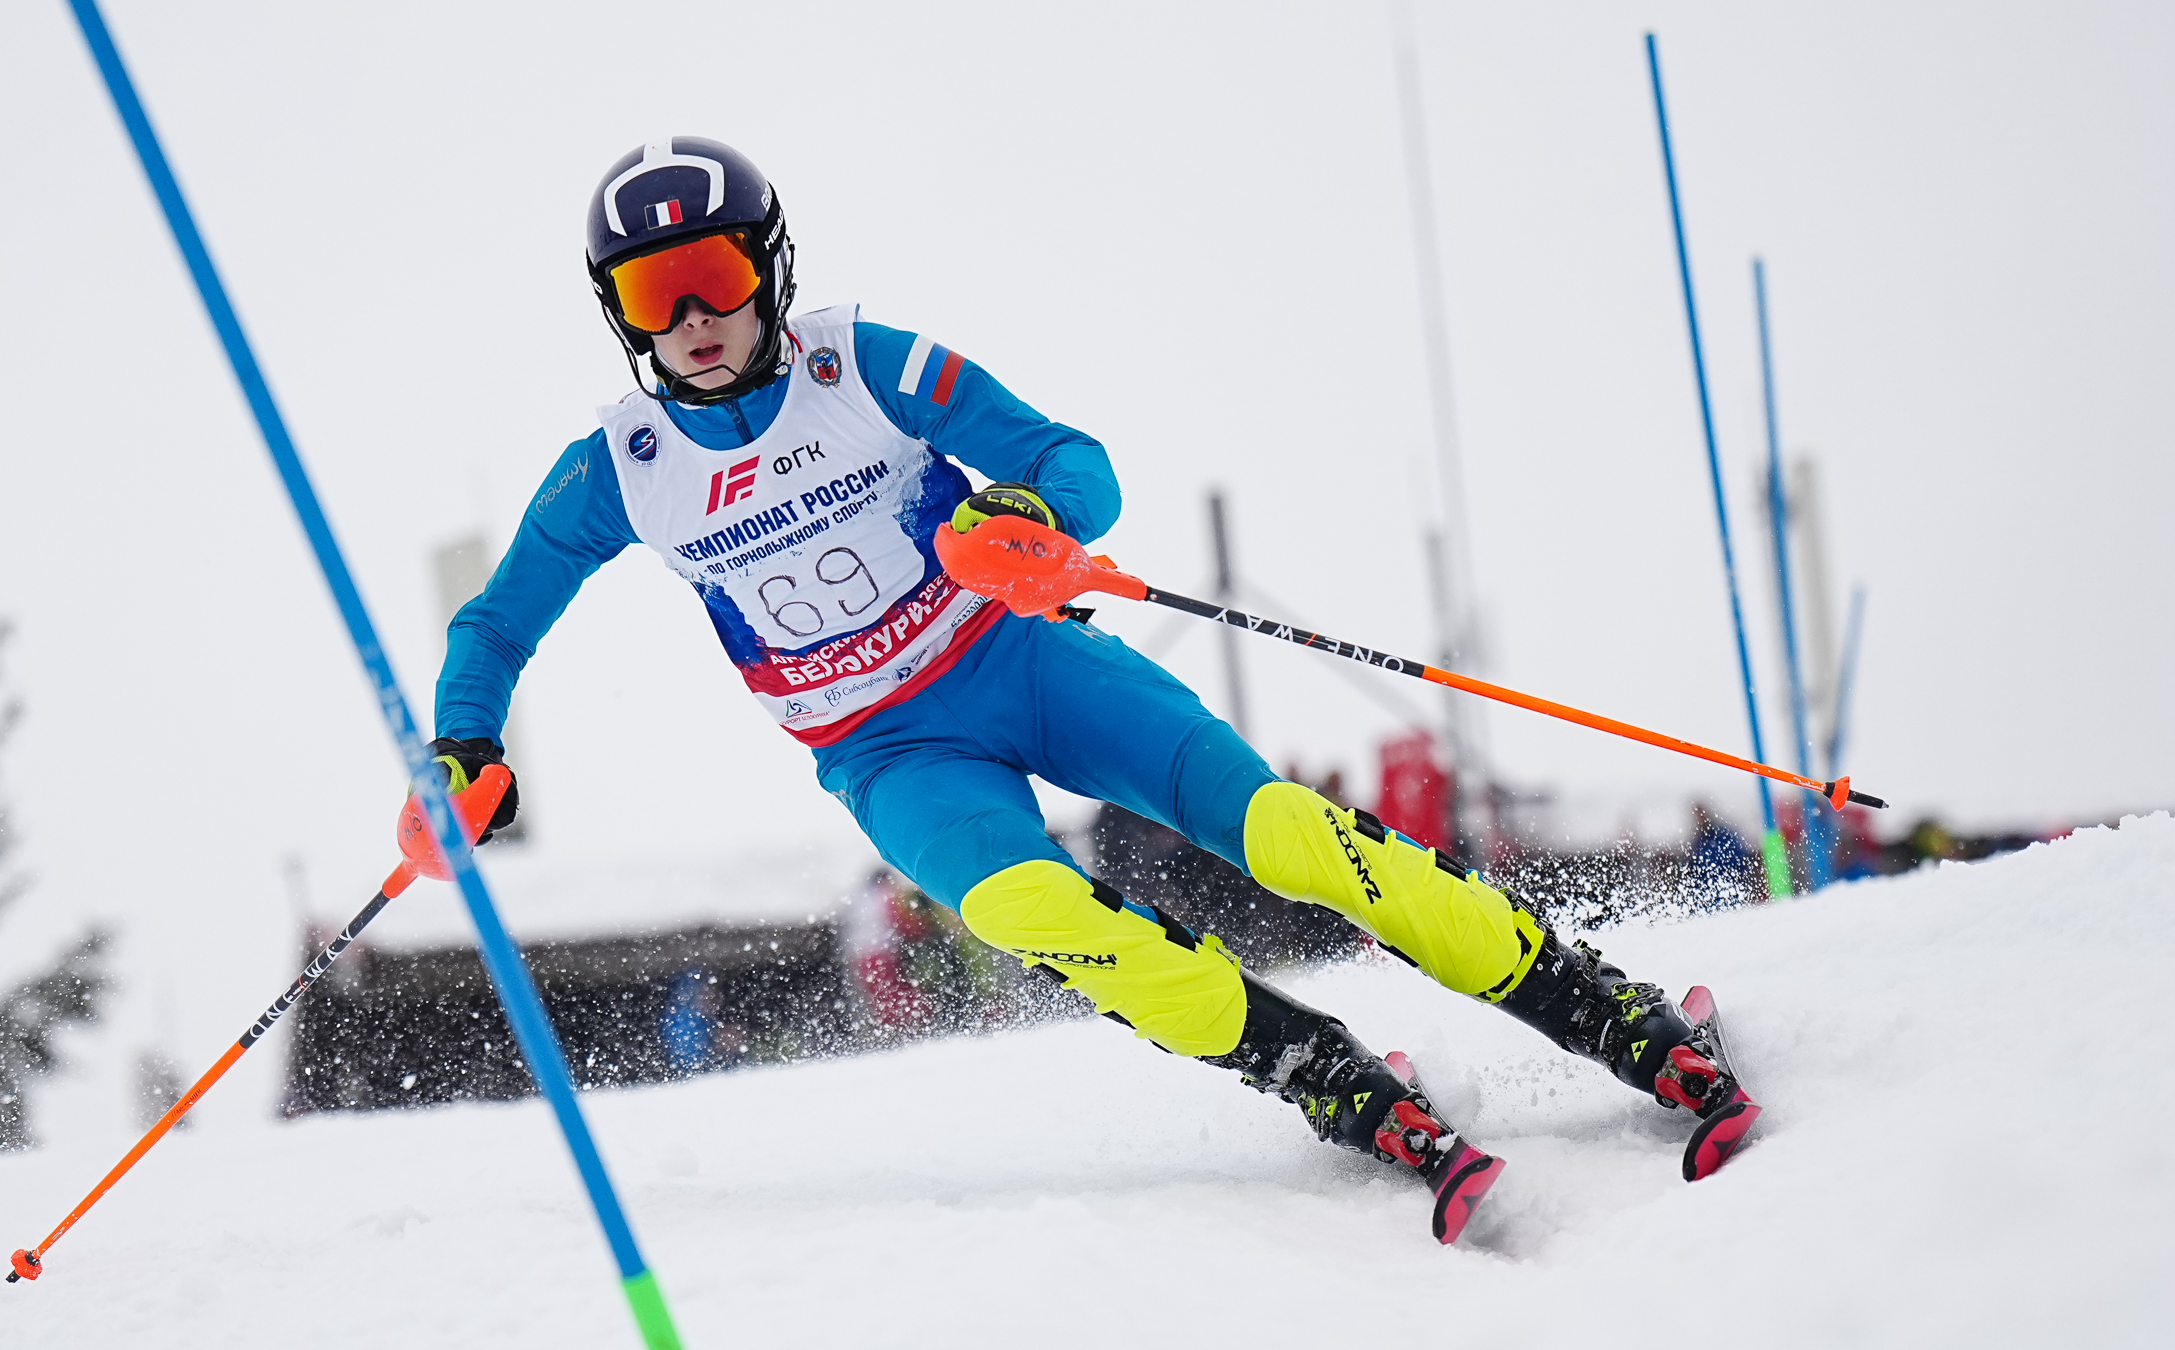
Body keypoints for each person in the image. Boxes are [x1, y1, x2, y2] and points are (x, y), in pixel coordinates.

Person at [428, 138, 1753, 1242]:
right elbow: (495, 622)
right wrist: (461, 747)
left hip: (1025, 664)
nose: (694, 320)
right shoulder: (622, 465)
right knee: (1046, 916)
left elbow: (1075, 462)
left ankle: (1606, 1009)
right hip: (895, 757)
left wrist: (1023, 510)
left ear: (768, 269)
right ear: (620, 313)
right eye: (654, 295)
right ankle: (1329, 1074)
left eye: (712, 277)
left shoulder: (861, 366)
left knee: (1294, 840)